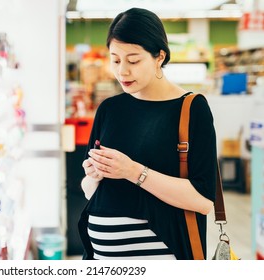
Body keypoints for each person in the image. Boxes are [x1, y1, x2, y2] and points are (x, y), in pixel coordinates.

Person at [78, 7, 217, 260]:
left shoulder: (191, 108)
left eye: (133, 61)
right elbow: (89, 190)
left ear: (159, 57)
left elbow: (205, 201)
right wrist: (95, 176)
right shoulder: (109, 109)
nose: (122, 71)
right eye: (115, 60)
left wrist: (133, 172)